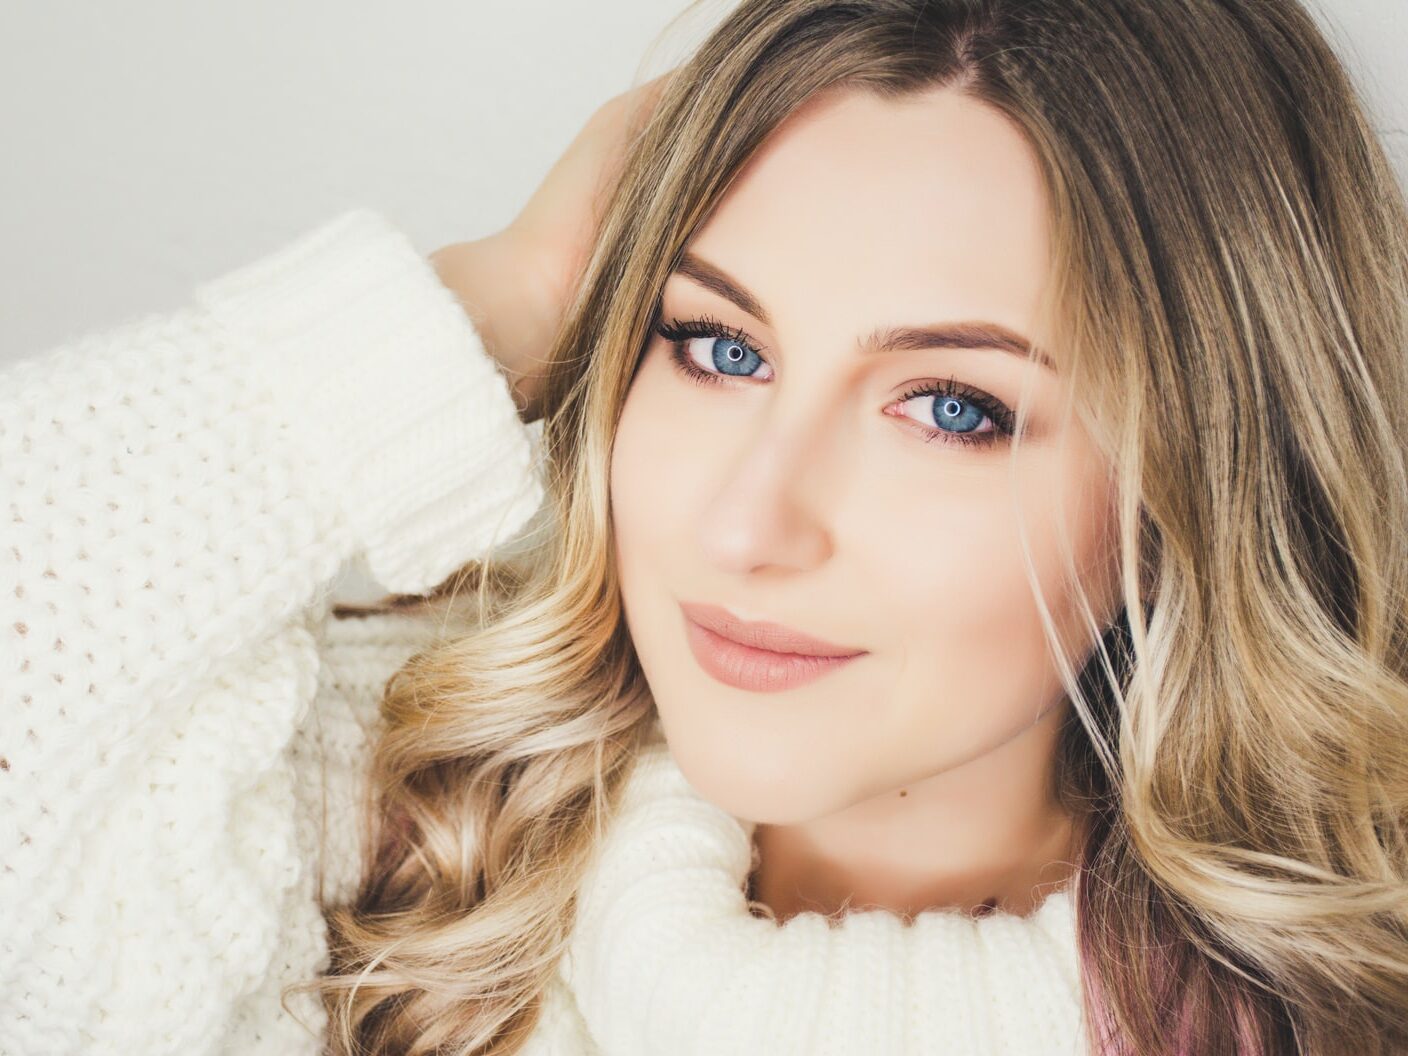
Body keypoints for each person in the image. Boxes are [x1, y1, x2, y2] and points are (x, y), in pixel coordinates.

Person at [3, 0, 1406, 1054]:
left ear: (1197, 485)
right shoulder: (380, 842)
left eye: (951, 408)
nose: (748, 524)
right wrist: (495, 304)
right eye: (718, 348)